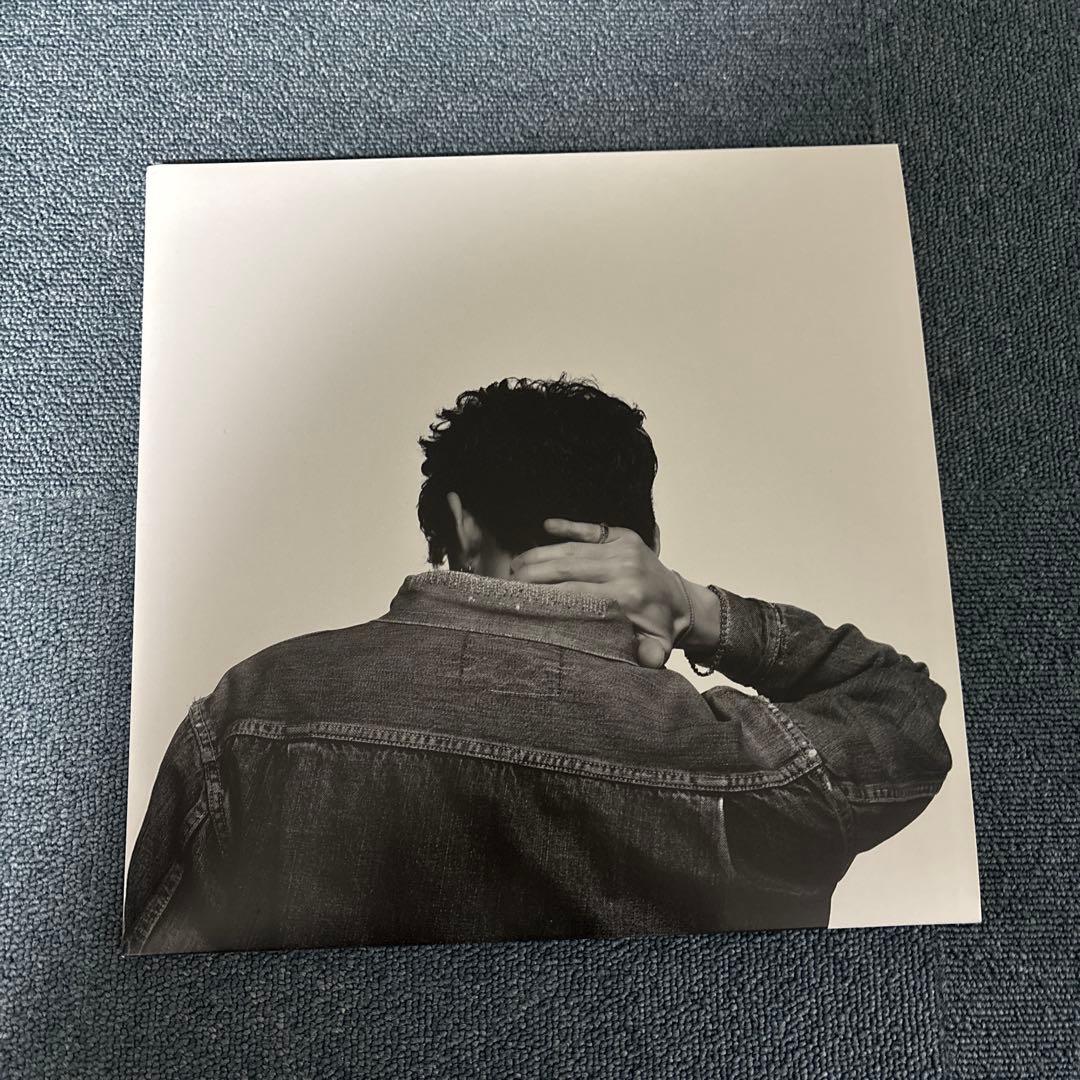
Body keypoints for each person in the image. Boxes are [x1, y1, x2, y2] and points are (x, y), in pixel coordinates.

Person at [124, 376, 952, 954]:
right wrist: (697, 607)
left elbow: (151, 1005)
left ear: (459, 522)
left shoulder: (256, 708)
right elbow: (899, 709)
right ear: (639, 542)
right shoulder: (739, 760)